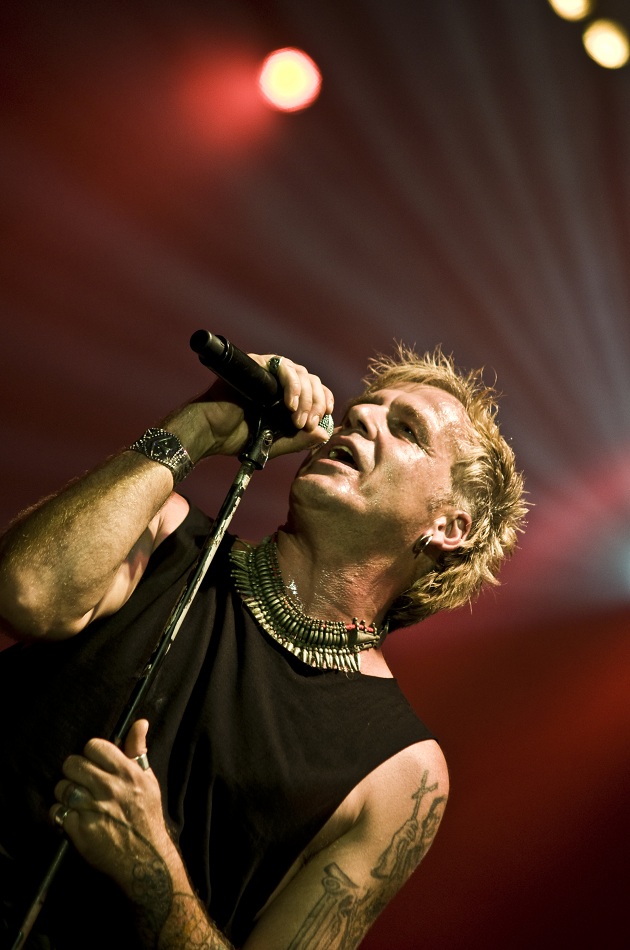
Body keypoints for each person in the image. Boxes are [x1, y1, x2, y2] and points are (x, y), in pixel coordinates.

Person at [0, 343, 526, 950]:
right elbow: (25, 594)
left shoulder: (401, 774)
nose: (360, 416)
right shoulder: (166, 532)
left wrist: (152, 871)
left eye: (407, 429)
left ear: (450, 527)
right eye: (361, 408)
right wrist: (200, 424)